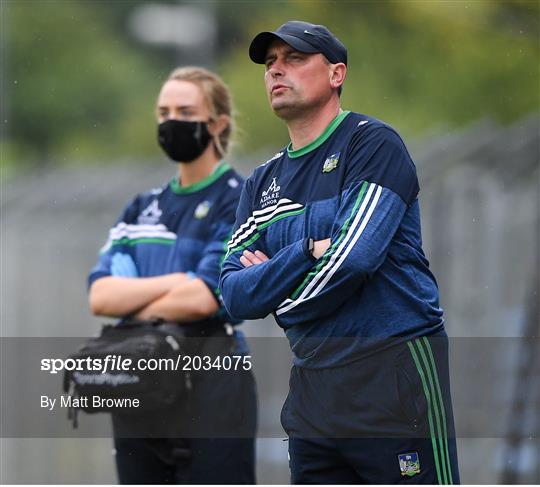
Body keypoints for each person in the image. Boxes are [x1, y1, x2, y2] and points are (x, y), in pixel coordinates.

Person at [220, 20, 460, 484]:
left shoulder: (372, 144)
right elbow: (233, 294)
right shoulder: (261, 183)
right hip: (312, 386)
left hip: (391, 371)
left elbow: (355, 259)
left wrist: (277, 295)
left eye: (294, 59)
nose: (276, 71)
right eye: (270, 64)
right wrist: (307, 252)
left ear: (336, 74)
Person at [88, 66, 256, 484]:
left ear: (217, 123)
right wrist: (177, 281)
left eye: (185, 111)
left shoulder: (239, 199)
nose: (171, 122)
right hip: (138, 380)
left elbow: (205, 297)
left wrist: (139, 298)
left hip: (213, 384)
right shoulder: (141, 207)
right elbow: (102, 297)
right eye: (163, 113)